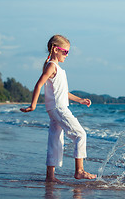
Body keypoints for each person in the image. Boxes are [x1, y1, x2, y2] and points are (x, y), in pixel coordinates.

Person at [20, 35, 96, 183]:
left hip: (55, 109)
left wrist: (79, 99)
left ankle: (50, 176)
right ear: (56, 49)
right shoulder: (51, 66)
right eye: (65, 52)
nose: (67, 55)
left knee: (55, 140)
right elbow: (38, 84)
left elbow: (63, 92)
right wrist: (33, 105)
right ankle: (79, 171)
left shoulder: (58, 69)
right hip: (58, 108)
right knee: (80, 134)